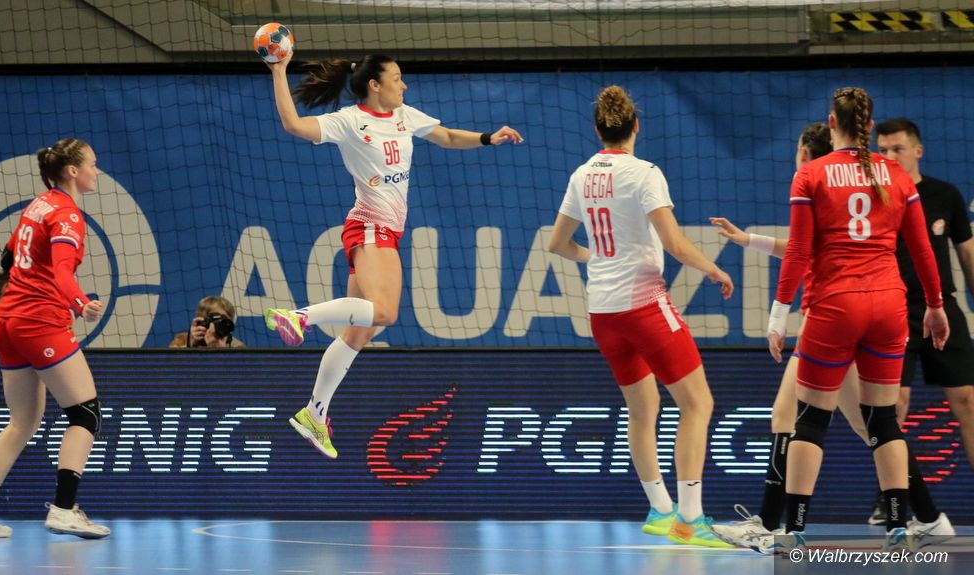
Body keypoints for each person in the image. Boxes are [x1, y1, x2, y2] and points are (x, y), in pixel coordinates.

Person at [262, 53, 522, 459]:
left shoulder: (405, 116)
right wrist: (279, 71)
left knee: (359, 333)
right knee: (384, 313)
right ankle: (299, 317)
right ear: (375, 85)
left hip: (384, 231)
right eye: (397, 78)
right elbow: (294, 124)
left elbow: (448, 136)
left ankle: (314, 413)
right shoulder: (350, 121)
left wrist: (489, 137)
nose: (404, 85)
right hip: (370, 226)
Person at [709, 123, 953, 549]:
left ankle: (772, 525)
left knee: (801, 419)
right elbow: (802, 248)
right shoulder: (843, 192)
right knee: (868, 426)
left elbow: (801, 251)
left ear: (806, 154)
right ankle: (930, 517)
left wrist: (777, 311)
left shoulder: (816, 184)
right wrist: (748, 239)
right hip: (855, 316)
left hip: (831, 321)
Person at [547, 86, 733, 548]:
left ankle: (660, 509)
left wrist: (596, 258)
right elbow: (674, 243)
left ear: (598, 131)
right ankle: (689, 520)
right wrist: (713, 269)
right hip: (645, 305)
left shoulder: (581, 175)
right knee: (698, 404)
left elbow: (557, 244)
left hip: (602, 312)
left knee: (643, 408)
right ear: (636, 126)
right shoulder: (645, 172)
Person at [0, 139, 110, 539]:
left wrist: (27, 284)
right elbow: (61, 271)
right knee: (86, 413)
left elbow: (9, 258)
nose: (96, 171)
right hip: (38, 320)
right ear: (73, 171)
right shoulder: (67, 214)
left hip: (6, 318)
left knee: (22, 422)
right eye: (92, 164)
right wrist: (80, 303)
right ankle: (63, 509)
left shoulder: (38, 205)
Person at [876, 118, 974, 482]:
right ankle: (892, 500)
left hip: (941, 310)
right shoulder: (873, 198)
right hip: (893, 312)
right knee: (894, 407)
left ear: (917, 151)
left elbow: (967, 254)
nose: (890, 156)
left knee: (969, 402)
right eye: (882, 150)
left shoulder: (944, 195)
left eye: (897, 149)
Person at [169, 296, 246, 348]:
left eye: (224, 321)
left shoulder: (237, 347)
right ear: (202, 321)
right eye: (215, 320)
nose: (219, 324)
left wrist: (221, 352)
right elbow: (173, 365)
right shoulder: (182, 341)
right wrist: (191, 345)